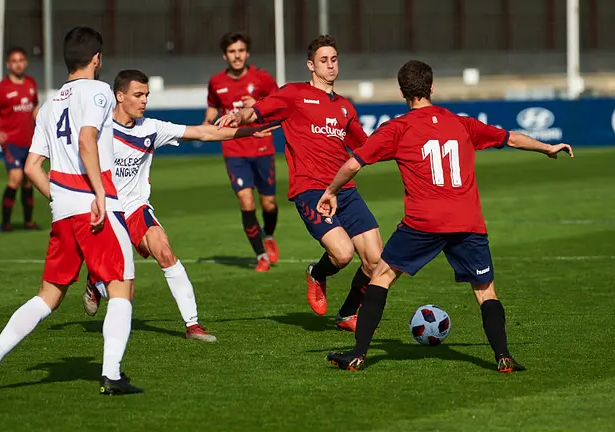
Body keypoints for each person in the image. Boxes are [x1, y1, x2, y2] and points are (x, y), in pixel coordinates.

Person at [319, 60, 574, 373]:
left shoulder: (397, 128)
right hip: (468, 222)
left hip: (423, 222)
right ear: (431, 87)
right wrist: (547, 147)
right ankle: (503, 356)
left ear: (402, 92)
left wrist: (330, 191)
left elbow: (353, 164)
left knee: (381, 276)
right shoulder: (461, 123)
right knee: (486, 292)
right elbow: (510, 138)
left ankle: (358, 354)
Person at [0, 27, 142, 395]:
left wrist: (59, 199)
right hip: (95, 205)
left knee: (48, 296)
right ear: (97, 59)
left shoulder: (49, 104)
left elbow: (31, 167)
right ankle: (111, 375)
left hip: (63, 210)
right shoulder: (100, 91)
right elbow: (87, 139)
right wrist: (99, 195)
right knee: (122, 286)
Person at [83, 69, 277, 342]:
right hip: (108, 212)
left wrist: (249, 131)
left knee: (164, 250)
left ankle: (193, 325)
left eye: (146, 95)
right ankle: (96, 281)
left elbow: (204, 133)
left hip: (136, 208)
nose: (144, 101)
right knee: (125, 294)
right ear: (119, 95)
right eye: (138, 95)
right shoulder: (98, 132)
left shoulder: (150, 128)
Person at [215, 35, 381, 332]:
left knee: (374, 260)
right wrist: (236, 116)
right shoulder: (293, 94)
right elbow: (255, 112)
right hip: (311, 189)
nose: (330, 66)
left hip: (346, 190)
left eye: (334, 60)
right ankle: (317, 273)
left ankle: (347, 313)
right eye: (323, 61)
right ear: (311, 65)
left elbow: (364, 147)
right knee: (342, 254)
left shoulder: (345, 107)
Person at [204, 32, 280, 272]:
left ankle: (268, 235)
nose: (236, 56)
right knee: (246, 201)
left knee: (268, 204)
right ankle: (261, 256)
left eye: (240, 51)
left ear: (247, 53)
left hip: (261, 146)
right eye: (231, 52)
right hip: (233, 148)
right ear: (225, 55)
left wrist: (255, 106)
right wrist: (208, 123)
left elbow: (279, 104)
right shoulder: (216, 82)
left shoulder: (262, 79)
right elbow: (212, 107)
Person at [0, 46, 41, 232]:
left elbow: (34, 108)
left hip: (30, 141)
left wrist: (42, 126)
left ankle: (28, 221)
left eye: (21, 60)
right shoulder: (2, 88)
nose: (18, 64)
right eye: (14, 61)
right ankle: (6, 223)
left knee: (28, 179)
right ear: (8, 64)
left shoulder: (31, 83)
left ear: (26, 62)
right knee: (15, 177)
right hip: (11, 143)